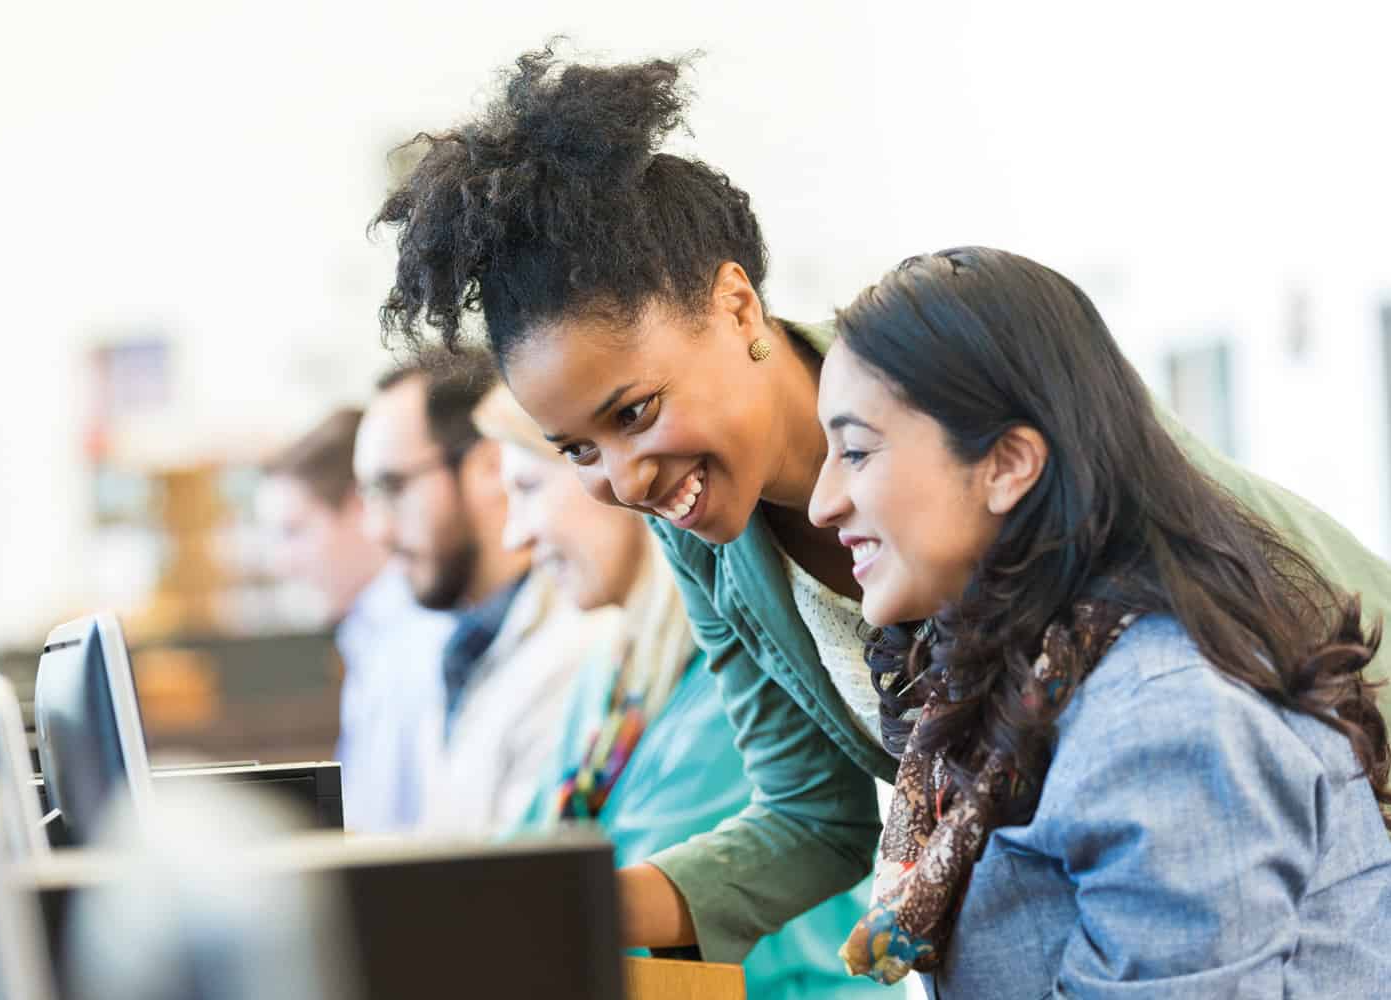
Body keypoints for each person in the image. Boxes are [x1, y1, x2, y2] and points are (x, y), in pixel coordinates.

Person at [370, 48, 1391, 972]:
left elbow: (1230, 685)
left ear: (736, 307)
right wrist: (533, 904)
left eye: (635, 412)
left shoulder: (968, 394)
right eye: (578, 450)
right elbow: (813, 818)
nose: (625, 480)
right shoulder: (709, 535)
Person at [816, 247, 1391, 995]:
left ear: (1008, 463)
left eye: (857, 451)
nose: (822, 502)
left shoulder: (1163, 719)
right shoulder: (1039, 682)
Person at [475, 384, 892, 999]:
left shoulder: (733, 680)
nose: (513, 537)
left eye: (529, 489)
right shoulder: (613, 676)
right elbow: (523, 864)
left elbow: (617, 904)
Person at [354, 350, 613, 833]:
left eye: (392, 487)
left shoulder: (580, 643)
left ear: (487, 467)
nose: (377, 529)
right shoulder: (463, 643)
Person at [257, 408, 451, 832]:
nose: (280, 563)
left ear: (359, 508)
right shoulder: (372, 637)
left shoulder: (423, 638)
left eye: (294, 531)